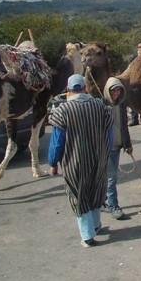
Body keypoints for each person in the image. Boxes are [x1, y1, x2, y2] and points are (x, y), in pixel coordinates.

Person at [48, 74, 113, 247]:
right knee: (97, 190)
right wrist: (106, 154)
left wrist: (53, 162)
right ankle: (96, 225)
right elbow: (109, 133)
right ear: (85, 87)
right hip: (99, 158)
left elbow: (57, 142)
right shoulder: (100, 106)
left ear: (69, 90)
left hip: (74, 162)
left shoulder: (63, 110)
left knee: (79, 196)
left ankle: (87, 235)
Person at [102, 77, 133, 220]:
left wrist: (127, 144)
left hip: (117, 145)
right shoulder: (101, 105)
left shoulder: (121, 104)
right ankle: (113, 205)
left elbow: (124, 125)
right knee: (111, 177)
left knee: (108, 177)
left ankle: (103, 201)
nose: (116, 92)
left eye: (118, 89)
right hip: (105, 147)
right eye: (113, 90)